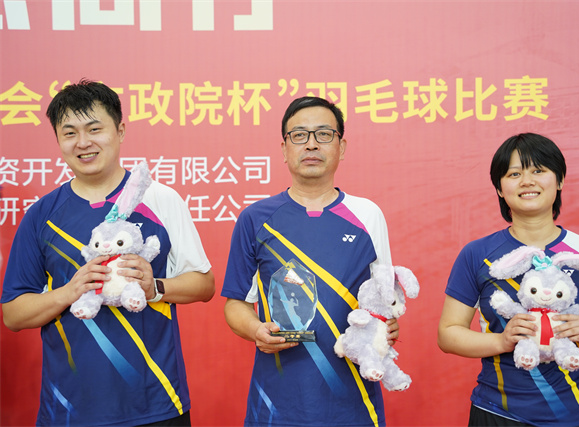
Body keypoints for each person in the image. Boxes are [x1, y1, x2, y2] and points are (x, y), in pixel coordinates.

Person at [1, 79, 215, 426]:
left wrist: (155, 287)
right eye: (69, 133)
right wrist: (70, 292)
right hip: (69, 408)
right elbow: (13, 314)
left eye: (94, 129)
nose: (83, 142)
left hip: (156, 401)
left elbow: (204, 285)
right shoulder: (42, 215)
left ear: (120, 131)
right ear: (58, 140)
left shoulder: (159, 198)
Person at [221, 96, 399, 427]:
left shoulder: (368, 215)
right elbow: (235, 305)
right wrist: (257, 330)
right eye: (300, 135)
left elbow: (383, 299)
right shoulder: (255, 218)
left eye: (324, 134)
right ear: (284, 148)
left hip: (354, 404)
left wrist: (386, 325)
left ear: (341, 147)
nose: (312, 144)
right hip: (276, 403)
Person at [437, 133, 579, 426]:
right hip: (496, 413)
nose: (527, 182)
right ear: (499, 188)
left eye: (538, 171)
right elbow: (448, 334)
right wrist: (502, 341)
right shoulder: (477, 254)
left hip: (573, 416)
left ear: (560, 180)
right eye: (514, 174)